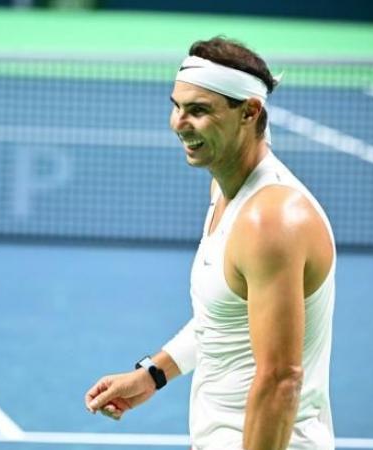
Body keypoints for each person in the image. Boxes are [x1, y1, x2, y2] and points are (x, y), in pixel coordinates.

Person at [84, 36, 336, 450]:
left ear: (249, 112)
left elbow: (280, 379)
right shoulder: (227, 195)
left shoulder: (268, 220)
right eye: (176, 106)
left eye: (198, 110)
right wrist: (154, 373)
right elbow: (222, 322)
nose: (178, 123)